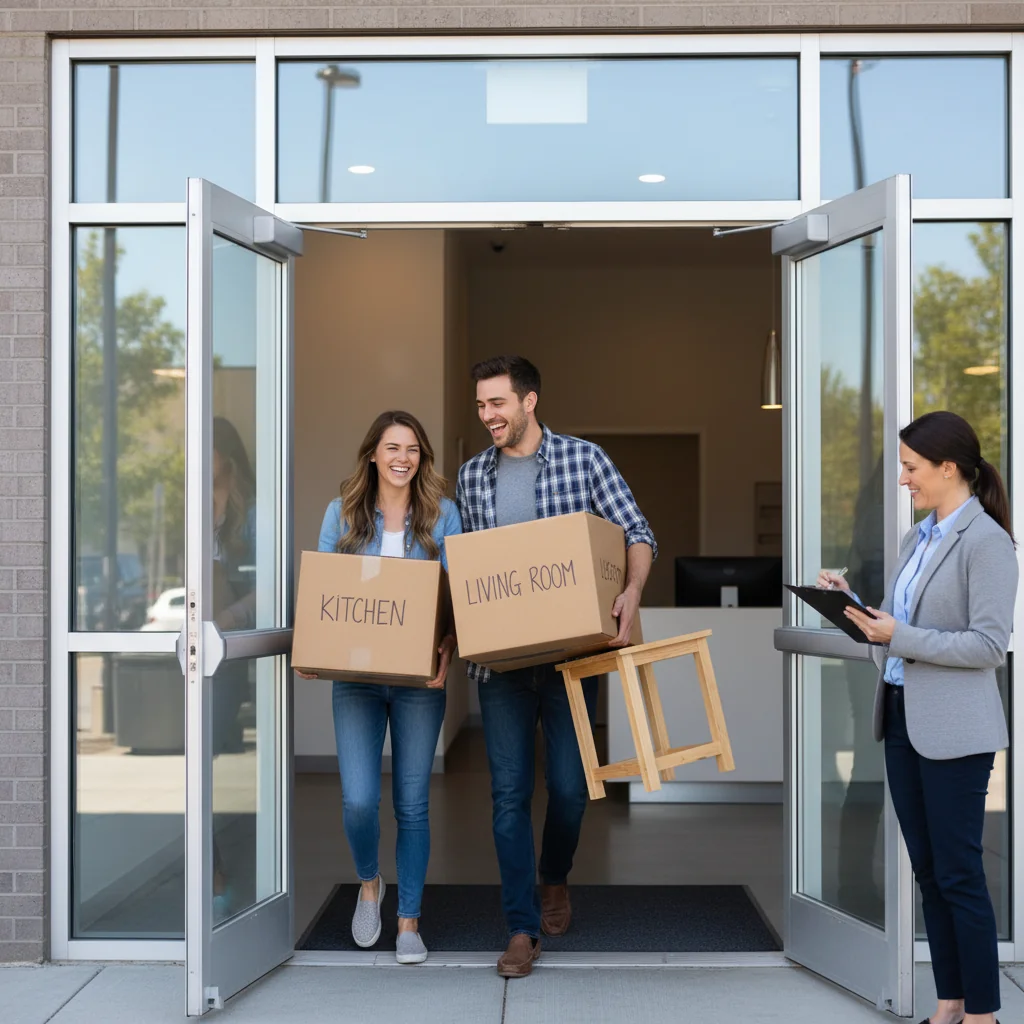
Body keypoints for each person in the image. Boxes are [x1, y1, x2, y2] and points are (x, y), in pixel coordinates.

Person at [456, 355, 656, 979]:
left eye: (498, 404)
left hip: (574, 660)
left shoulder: (584, 460)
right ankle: (521, 929)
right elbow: (464, 569)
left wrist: (631, 590)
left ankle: (554, 877)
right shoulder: (470, 477)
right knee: (509, 797)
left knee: (570, 790)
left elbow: (637, 532)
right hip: (504, 670)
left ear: (529, 401)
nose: (488, 415)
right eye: (482, 405)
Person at [819, 411, 1014, 1024]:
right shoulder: (916, 538)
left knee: (959, 874)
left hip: (956, 731)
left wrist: (900, 634)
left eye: (910, 467)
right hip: (901, 718)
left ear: (947, 468)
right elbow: (901, 636)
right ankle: (950, 1003)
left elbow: (987, 646)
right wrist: (855, 612)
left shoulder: (987, 542)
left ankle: (982, 1013)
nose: (902, 479)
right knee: (929, 872)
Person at [297, 411, 461, 965]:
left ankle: (409, 920)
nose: (403, 457)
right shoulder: (341, 514)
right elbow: (324, 587)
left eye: (413, 449)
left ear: (423, 458)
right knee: (360, 799)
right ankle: (370, 883)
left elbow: (460, 597)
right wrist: (312, 646)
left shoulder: (443, 518)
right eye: (393, 446)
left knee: (413, 804)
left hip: (419, 683)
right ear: (373, 453)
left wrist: (449, 644)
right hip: (358, 682)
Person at [210, 416, 258, 923]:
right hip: (198, 649)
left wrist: (230, 616)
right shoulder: (194, 507)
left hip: (232, 650)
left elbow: (272, 584)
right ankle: (216, 876)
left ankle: (230, 882)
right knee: (196, 769)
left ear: (226, 452)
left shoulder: (255, 514)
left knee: (211, 760)